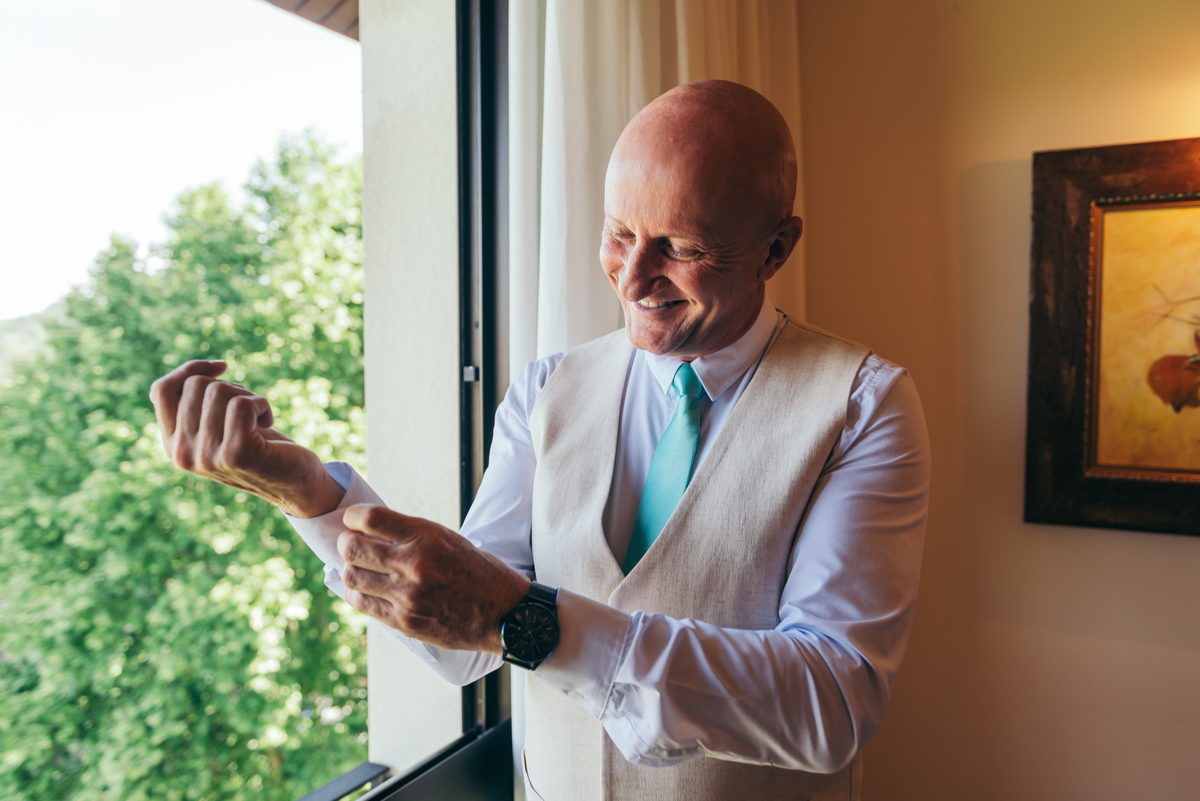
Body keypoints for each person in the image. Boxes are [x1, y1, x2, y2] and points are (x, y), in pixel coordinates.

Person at [150, 80, 930, 801]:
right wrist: (310, 495)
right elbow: (463, 643)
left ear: (777, 247)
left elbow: (832, 702)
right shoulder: (546, 392)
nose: (631, 279)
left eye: (681, 248)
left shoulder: (865, 406)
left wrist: (532, 622)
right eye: (618, 233)